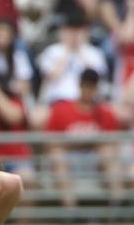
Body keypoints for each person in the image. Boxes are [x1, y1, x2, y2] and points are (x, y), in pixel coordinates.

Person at [43, 68, 124, 206]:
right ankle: (70, 209)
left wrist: (83, 143)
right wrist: (85, 142)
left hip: (95, 161)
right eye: (86, 86)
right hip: (70, 159)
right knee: (58, 155)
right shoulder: (61, 109)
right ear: (80, 85)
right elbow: (51, 143)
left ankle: (116, 206)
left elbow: (112, 144)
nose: (89, 90)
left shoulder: (105, 113)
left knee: (108, 152)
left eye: (92, 87)